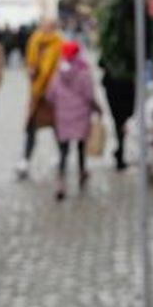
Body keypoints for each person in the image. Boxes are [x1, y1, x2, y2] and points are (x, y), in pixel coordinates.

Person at [46, 40, 100, 199]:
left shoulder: (59, 72)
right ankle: (82, 172)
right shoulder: (84, 72)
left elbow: (50, 95)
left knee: (63, 150)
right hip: (81, 115)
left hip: (63, 116)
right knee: (81, 146)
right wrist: (98, 108)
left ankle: (61, 182)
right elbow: (90, 95)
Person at [16, 17, 63, 179]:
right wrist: (30, 70)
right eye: (44, 25)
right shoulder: (34, 41)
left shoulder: (59, 43)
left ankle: (61, 157)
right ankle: (25, 159)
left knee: (57, 127)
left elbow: (60, 67)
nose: (46, 29)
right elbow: (30, 62)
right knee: (31, 126)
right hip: (36, 93)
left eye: (50, 26)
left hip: (53, 93)